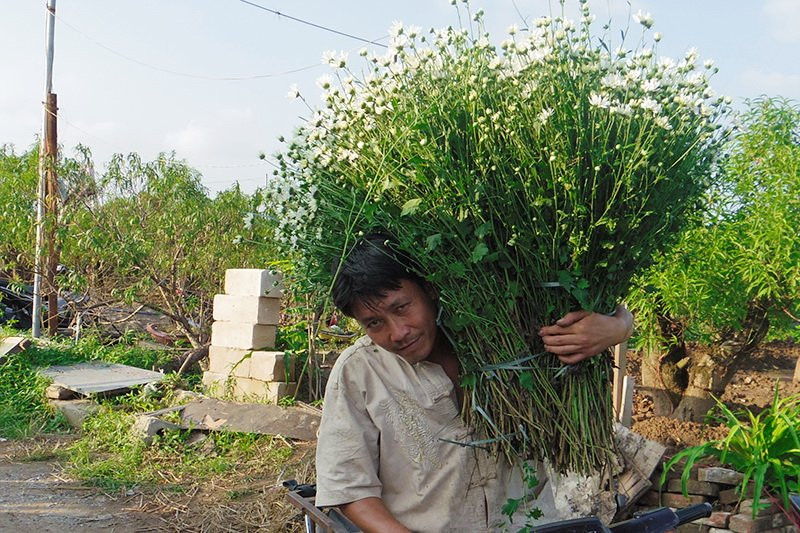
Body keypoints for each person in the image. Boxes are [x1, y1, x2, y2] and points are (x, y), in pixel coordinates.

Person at [314, 234, 633, 533]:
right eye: (374, 323)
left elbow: (605, 307)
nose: (397, 332)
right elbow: (350, 491)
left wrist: (618, 327)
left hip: (531, 524)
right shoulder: (358, 372)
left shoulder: (506, 335)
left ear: (429, 289)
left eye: (402, 308)